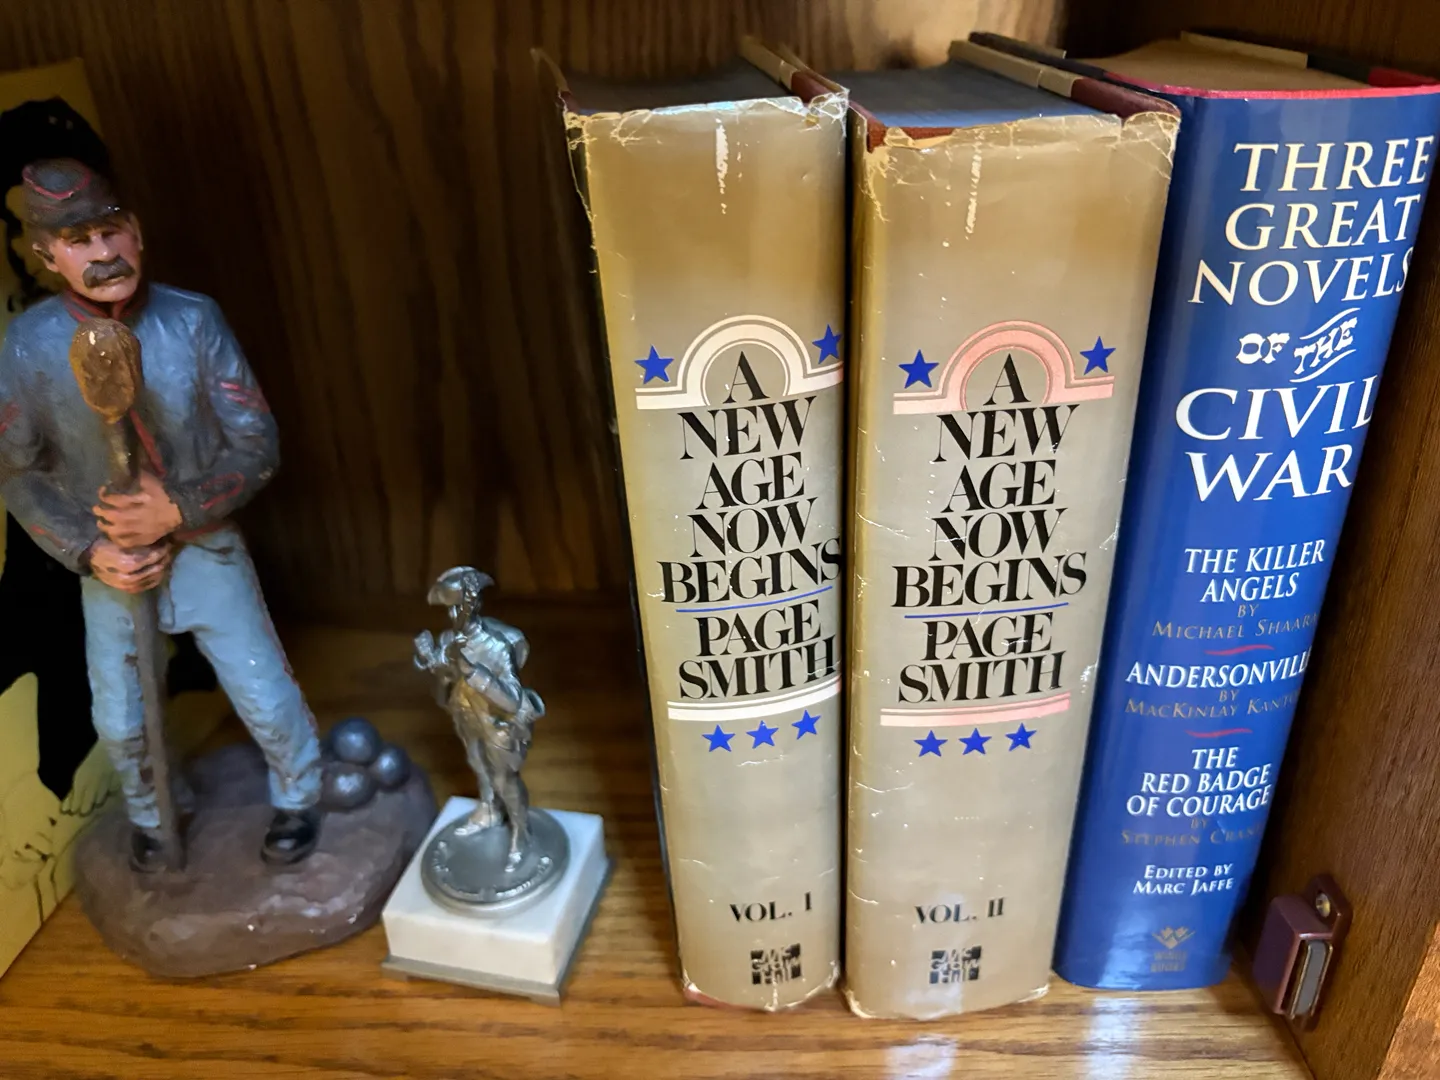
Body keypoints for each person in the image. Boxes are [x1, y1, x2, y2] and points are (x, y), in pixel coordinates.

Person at [0, 158, 323, 872]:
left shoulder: (193, 320)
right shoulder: (27, 346)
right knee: (121, 721)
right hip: (113, 566)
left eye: (110, 231)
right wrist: (90, 550)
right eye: (77, 241)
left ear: (137, 233)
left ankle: (301, 795)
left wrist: (179, 506)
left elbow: (257, 443)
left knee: (263, 692)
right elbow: (16, 473)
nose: (102, 253)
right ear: (47, 256)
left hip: (205, 549)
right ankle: (153, 815)